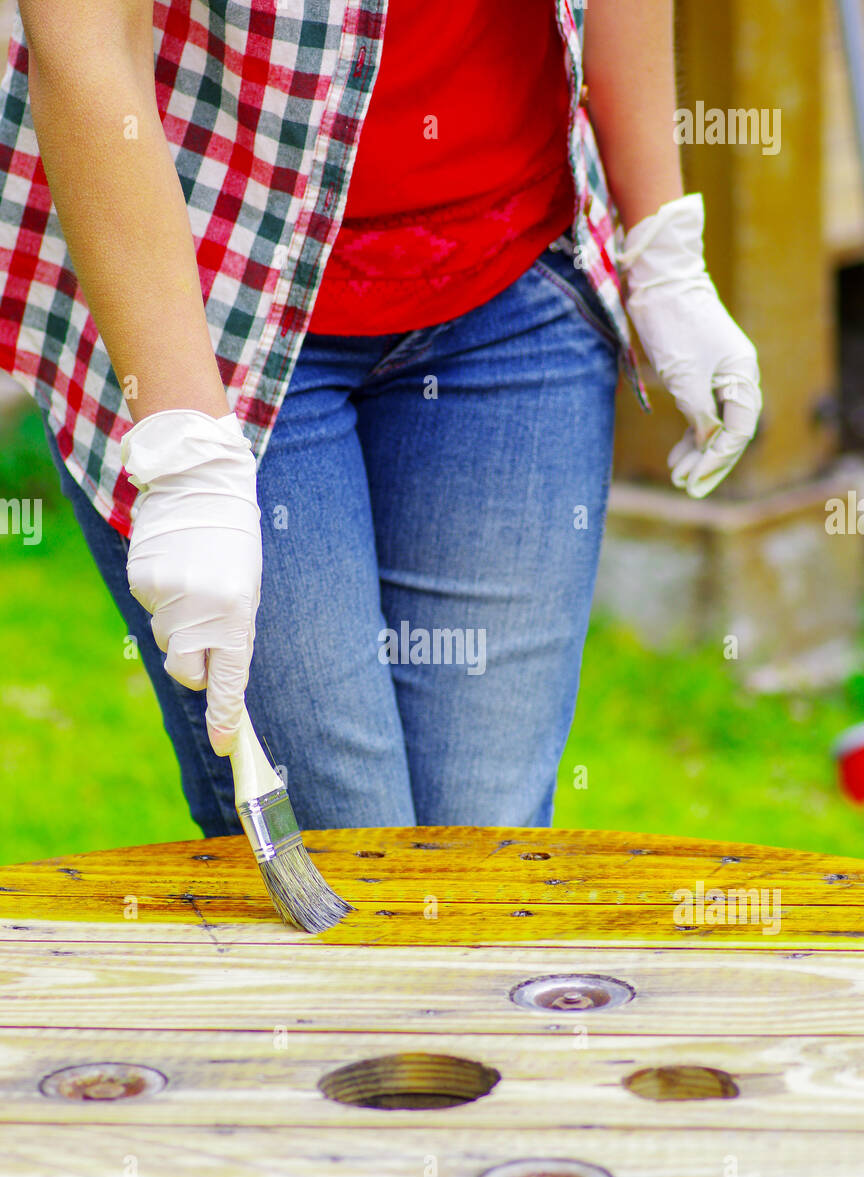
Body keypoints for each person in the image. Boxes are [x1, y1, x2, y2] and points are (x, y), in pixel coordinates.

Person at [0, 1, 760, 832]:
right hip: (212, 311)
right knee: (340, 849)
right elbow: (84, 35)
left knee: (487, 853)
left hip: (509, 280)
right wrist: (184, 446)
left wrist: (663, 244)